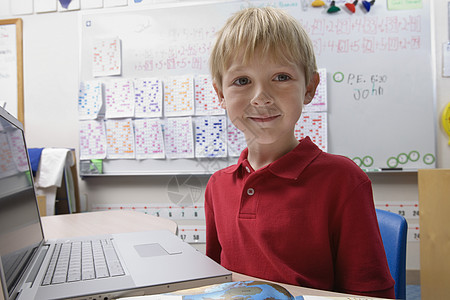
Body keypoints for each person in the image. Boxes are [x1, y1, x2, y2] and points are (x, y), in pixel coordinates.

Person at [205, 6, 395, 299]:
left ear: (309, 87)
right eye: (242, 81)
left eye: (281, 77)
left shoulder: (343, 180)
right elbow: (217, 282)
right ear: (220, 94)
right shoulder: (217, 186)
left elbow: (371, 295)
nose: (260, 98)